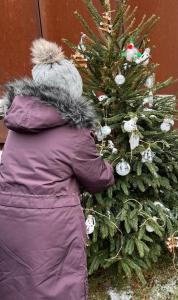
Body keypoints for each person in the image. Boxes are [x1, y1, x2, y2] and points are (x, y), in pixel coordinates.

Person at [0, 39, 114, 299]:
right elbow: (98, 179)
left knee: (17, 283)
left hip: (8, 218)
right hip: (52, 225)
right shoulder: (74, 133)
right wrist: (110, 167)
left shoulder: (16, 125)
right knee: (56, 284)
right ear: (72, 91)